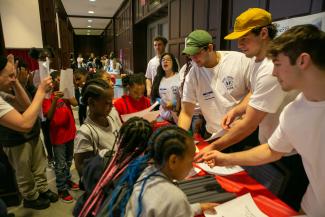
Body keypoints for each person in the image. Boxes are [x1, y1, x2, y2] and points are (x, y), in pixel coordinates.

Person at [200, 24, 325, 216]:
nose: (274, 73)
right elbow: (271, 150)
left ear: (302, 61)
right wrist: (224, 158)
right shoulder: (293, 111)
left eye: (278, 64)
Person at [115, 125, 217, 217]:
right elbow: (170, 205)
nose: (192, 166)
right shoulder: (174, 197)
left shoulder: (146, 172)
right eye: (191, 160)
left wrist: (197, 208)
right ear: (173, 161)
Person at [0, 55, 57, 210]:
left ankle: (43, 189)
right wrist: (40, 90)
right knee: (23, 171)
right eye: (10, 76)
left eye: (15, 74)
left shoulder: (7, 89)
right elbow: (25, 123)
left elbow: (26, 106)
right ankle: (31, 197)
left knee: (39, 165)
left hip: (32, 134)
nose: (14, 78)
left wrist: (17, 82)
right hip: (14, 140)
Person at [179, 30, 251, 139]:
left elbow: (254, 91)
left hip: (242, 132)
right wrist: (179, 138)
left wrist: (245, 117)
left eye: (196, 53)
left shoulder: (239, 60)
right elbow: (186, 113)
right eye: (190, 55)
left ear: (210, 48)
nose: (193, 58)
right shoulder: (193, 75)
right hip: (213, 134)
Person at [42, 70, 79, 203]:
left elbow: (75, 104)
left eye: (61, 79)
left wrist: (68, 92)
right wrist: (56, 99)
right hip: (58, 137)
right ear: (53, 82)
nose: (59, 81)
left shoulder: (66, 93)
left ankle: (67, 179)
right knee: (60, 164)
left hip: (70, 133)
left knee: (69, 161)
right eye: (57, 79)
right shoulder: (47, 97)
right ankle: (61, 188)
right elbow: (49, 116)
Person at [74, 78, 122, 178]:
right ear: (91, 102)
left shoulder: (112, 115)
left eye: (111, 102)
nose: (111, 106)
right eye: (107, 103)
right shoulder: (86, 133)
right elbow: (83, 172)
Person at [150, 53, 180, 122]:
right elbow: (153, 96)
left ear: (173, 63)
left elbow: (184, 95)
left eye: (168, 60)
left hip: (177, 114)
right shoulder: (158, 78)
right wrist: (161, 102)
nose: (165, 61)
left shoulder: (179, 76)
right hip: (163, 116)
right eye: (163, 60)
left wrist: (174, 103)